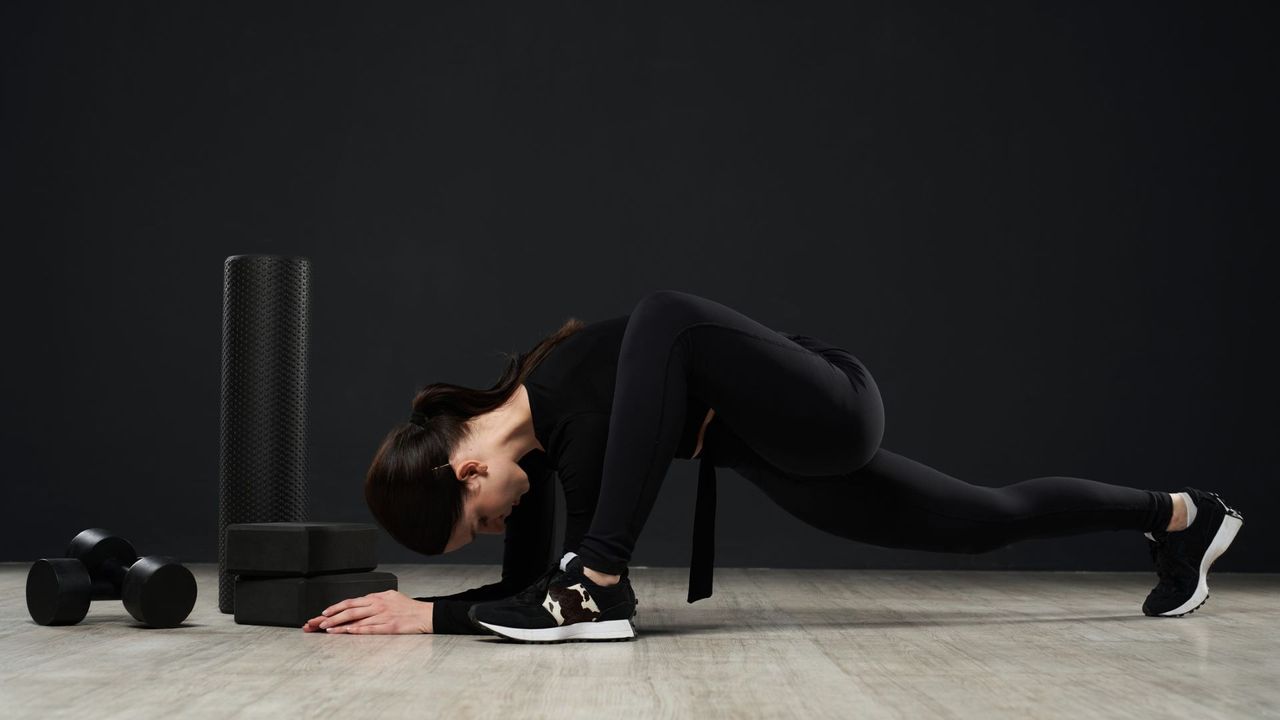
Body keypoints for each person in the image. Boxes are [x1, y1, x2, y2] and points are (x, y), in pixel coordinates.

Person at [305, 290, 1244, 642]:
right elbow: (525, 595)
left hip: (826, 402)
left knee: (661, 317)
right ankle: (1181, 518)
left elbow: (671, 317)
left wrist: (593, 569)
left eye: (481, 524)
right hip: (776, 456)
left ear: (467, 475)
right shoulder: (556, 458)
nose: (500, 530)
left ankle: (602, 577)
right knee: (981, 520)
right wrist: (429, 617)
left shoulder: (566, 380)